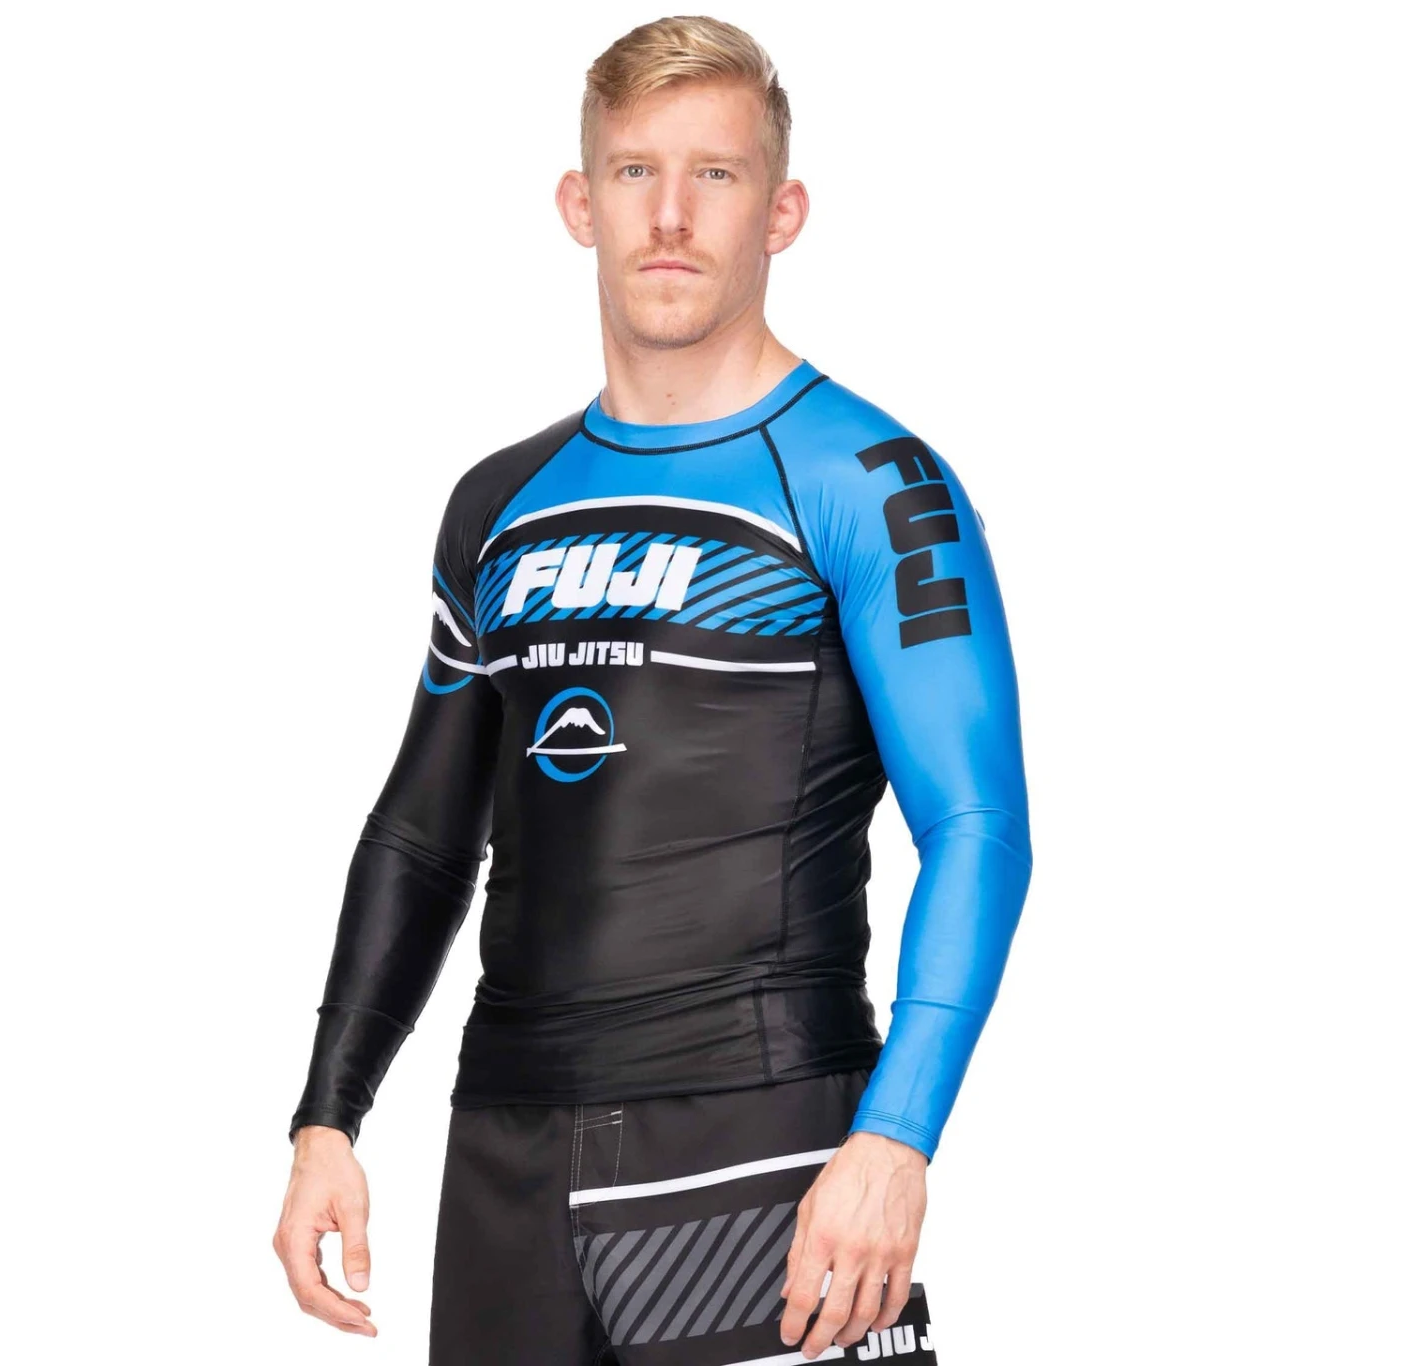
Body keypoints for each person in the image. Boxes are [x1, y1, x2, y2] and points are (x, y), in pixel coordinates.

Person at [273, 16, 1032, 1364]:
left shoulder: (869, 481)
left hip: (765, 1144)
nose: (671, 215)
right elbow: (425, 829)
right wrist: (330, 1113)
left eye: (716, 175)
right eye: (635, 172)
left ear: (782, 212)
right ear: (580, 202)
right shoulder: (500, 503)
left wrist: (898, 1137)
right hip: (505, 1154)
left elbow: (977, 826)